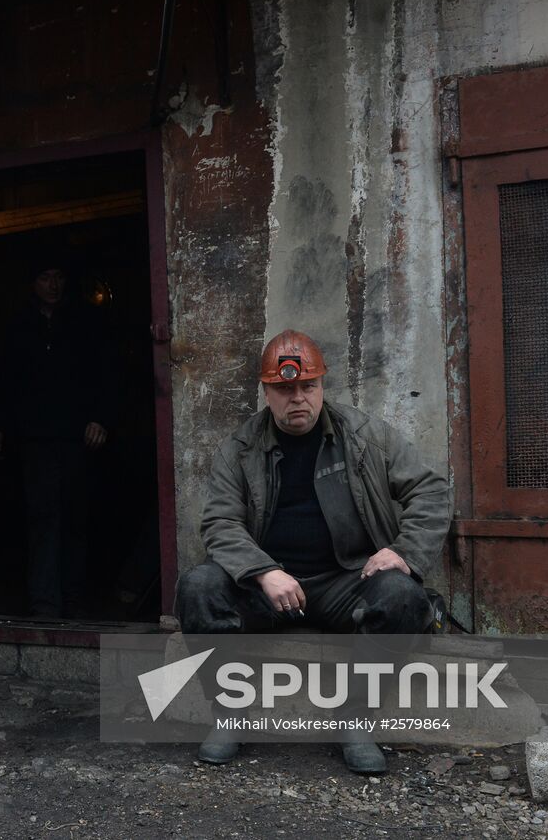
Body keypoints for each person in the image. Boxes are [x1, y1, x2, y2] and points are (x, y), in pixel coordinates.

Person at [175, 329, 451, 774]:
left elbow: (431, 490)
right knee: (198, 586)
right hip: (270, 588)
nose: (297, 398)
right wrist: (263, 571)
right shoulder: (240, 448)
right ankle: (230, 712)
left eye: (308, 386)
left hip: (346, 580)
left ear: (323, 386)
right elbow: (220, 523)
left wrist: (403, 552)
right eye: (284, 389)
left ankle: (356, 719)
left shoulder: (362, 435)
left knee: (402, 596)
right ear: (267, 392)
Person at [0, 256, 114, 618]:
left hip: (78, 438)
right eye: (45, 277)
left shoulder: (86, 320)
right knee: (42, 520)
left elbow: (107, 373)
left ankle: (74, 602)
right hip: (35, 440)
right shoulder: (19, 325)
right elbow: (5, 379)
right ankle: (45, 605)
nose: (53, 285)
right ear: (34, 282)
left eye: (58, 277)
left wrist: (101, 419)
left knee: (76, 519)